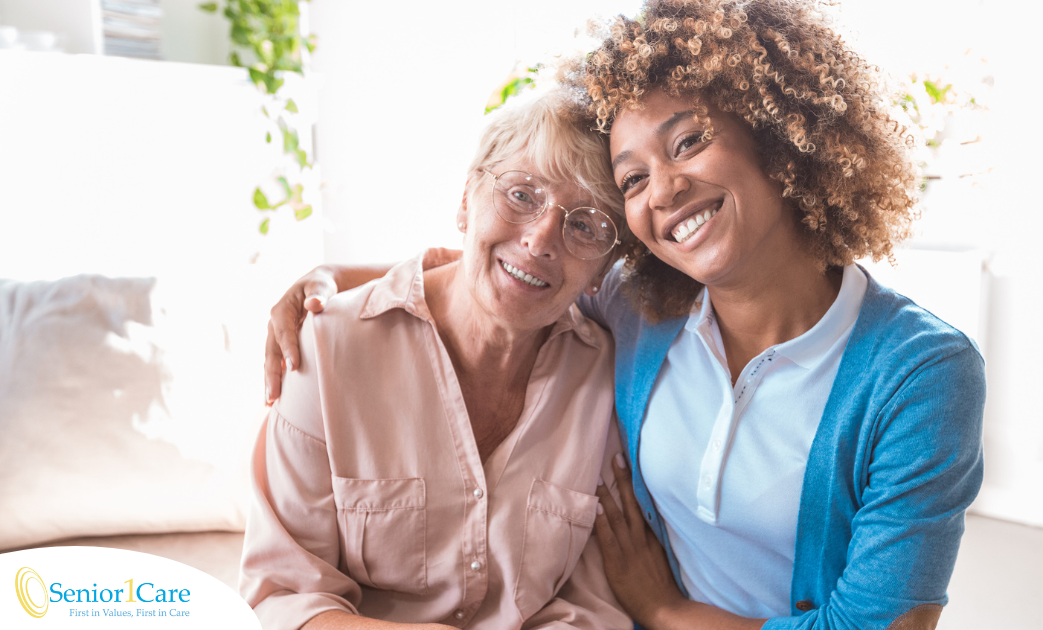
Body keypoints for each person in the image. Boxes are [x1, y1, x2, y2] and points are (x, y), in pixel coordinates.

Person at [264, 1, 986, 629]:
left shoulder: (920, 374)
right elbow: (506, 266)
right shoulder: (644, 310)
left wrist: (665, 611)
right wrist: (330, 280)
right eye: (632, 178)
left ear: (778, 134)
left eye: (689, 141)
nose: (664, 190)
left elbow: (883, 627)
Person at [240, 87, 635, 630]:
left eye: (585, 225)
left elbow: (591, 607)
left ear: (604, 268)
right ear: (467, 198)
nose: (542, 240)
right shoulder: (329, 350)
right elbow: (284, 598)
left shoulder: (606, 378)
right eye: (522, 194)